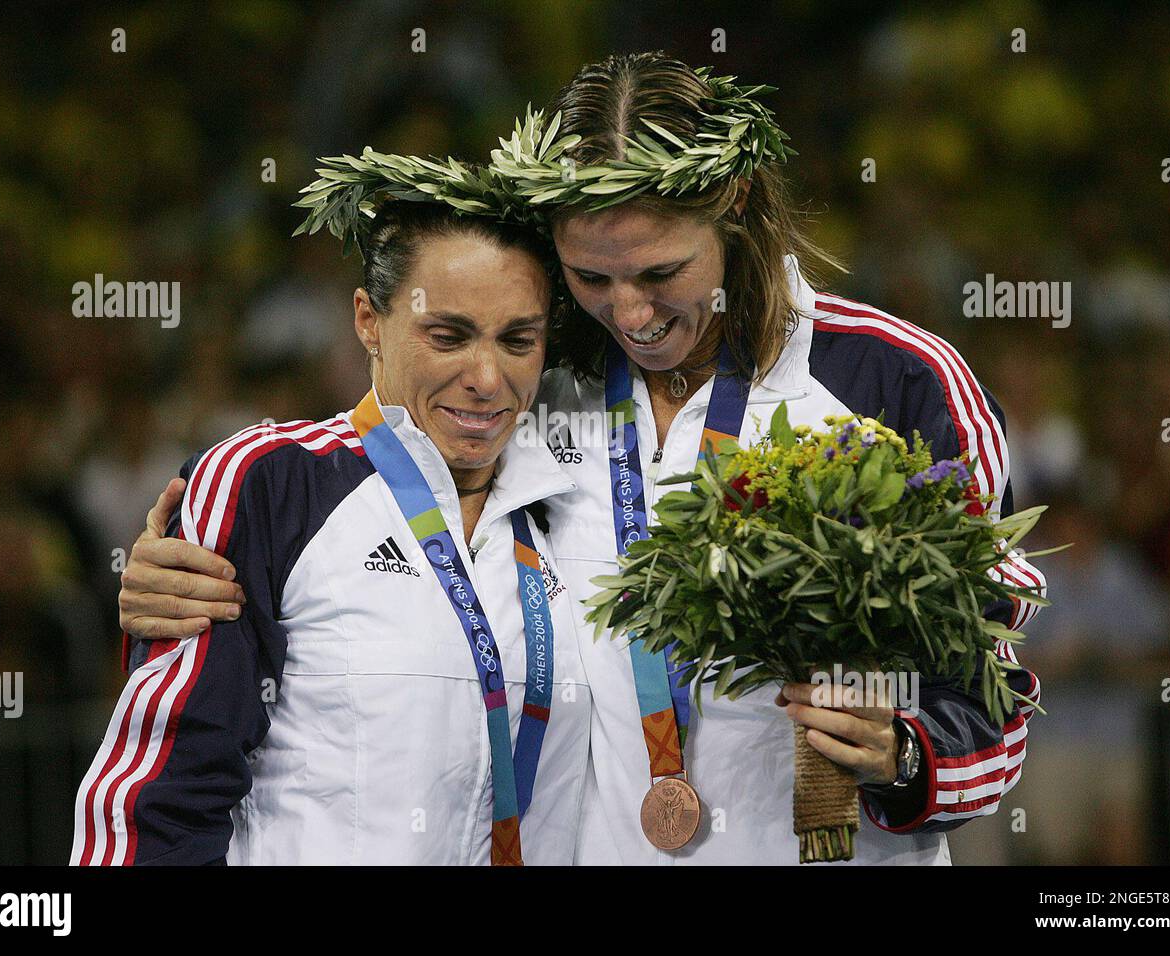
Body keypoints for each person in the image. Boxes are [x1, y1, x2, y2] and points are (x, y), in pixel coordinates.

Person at [117, 53, 1047, 865]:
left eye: (660, 274)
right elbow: (371, 495)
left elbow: (993, 692)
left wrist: (906, 750)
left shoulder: (898, 384)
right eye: (590, 278)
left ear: (741, 212)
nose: (630, 314)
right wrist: (198, 570)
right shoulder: (544, 382)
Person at [72, 161, 591, 866]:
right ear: (369, 321)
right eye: (448, 336)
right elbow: (162, 795)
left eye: (518, 340)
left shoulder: (575, 508)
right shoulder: (273, 484)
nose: (487, 379)